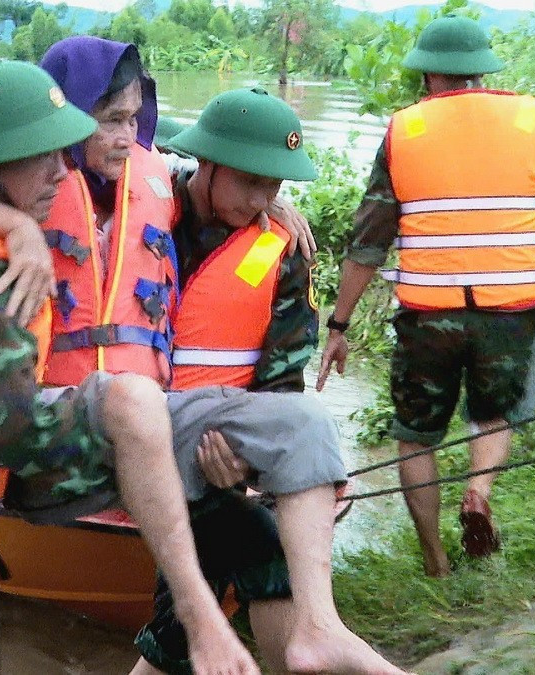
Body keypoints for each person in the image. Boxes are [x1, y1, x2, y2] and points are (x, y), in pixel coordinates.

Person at [0, 43, 404, 673]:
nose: (126, 136)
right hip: (53, 430)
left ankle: (310, 629)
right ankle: (216, 631)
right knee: (237, 558)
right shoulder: (22, 182)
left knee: (294, 447)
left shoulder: (169, 195)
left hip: (171, 430)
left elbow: (279, 368)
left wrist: (273, 202)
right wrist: (11, 225)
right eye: (110, 119)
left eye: (133, 119)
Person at [315, 16, 535, 578]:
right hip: (511, 311)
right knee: (492, 416)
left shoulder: (403, 131)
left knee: (414, 438)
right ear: (482, 71)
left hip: (429, 316)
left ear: (428, 73)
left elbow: (367, 244)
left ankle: (435, 561)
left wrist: (340, 326)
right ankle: (478, 492)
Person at [131, 87, 364, 675]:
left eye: (275, 186)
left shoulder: (283, 250)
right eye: (248, 181)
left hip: (221, 442)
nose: (262, 199)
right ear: (204, 163)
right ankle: (307, 641)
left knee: (235, 552)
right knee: (260, 551)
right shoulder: (143, 212)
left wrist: (248, 457)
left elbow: (283, 382)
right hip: (130, 437)